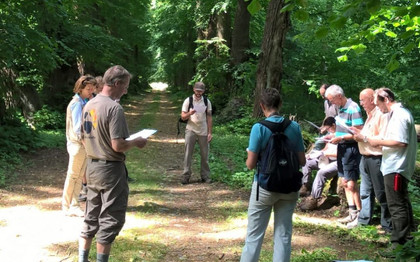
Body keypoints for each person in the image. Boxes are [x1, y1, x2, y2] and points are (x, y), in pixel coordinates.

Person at [79, 65, 147, 262]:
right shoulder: (114, 108)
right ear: (117, 84)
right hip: (110, 170)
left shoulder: (89, 104)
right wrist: (137, 141)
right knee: (110, 217)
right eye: (125, 87)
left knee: (90, 215)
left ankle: (82, 259)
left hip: (91, 166)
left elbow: (84, 137)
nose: (125, 91)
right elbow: (117, 145)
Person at [240, 88, 306, 262]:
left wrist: (249, 153)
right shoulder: (294, 127)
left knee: (254, 235)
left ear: (262, 106)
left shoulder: (258, 128)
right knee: (283, 235)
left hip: (264, 187)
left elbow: (250, 164)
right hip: (290, 188)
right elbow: (302, 161)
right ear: (280, 104)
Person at [366, 87, 417, 256]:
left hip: (396, 166)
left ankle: (398, 244)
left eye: (377, 103)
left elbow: (400, 141)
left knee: (396, 205)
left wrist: (377, 142)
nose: (377, 107)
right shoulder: (397, 115)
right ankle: (408, 239)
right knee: (402, 202)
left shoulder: (400, 115)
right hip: (394, 165)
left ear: (386, 99)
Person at [347, 88, 391, 230]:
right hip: (364, 157)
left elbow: (383, 138)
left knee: (381, 192)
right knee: (365, 192)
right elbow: (368, 134)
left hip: (376, 158)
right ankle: (363, 220)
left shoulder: (381, 115)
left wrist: (363, 137)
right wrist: (358, 133)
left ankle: (387, 224)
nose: (361, 103)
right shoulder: (370, 115)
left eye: (362, 100)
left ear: (372, 100)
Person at [326, 85, 363, 225]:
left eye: (332, 100)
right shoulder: (340, 108)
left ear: (339, 96)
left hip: (351, 149)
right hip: (341, 148)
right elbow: (344, 130)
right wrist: (334, 136)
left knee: (351, 183)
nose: (331, 103)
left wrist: (341, 138)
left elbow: (358, 133)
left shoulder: (353, 108)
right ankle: (351, 212)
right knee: (344, 182)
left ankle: (360, 215)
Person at [63, 75, 96, 216]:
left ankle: (74, 205)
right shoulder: (77, 103)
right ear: (80, 88)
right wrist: (87, 145)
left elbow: (92, 122)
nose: (91, 91)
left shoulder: (86, 102)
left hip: (83, 145)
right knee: (73, 175)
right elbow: (78, 129)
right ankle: (67, 205)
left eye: (93, 89)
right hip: (77, 145)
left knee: (79, 174)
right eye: (88, 89)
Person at [300, 117, 339, 210]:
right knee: (307, 162)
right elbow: (325, 148)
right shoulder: (330, 135)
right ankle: (306, 186)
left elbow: (340, 155)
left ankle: (314, 198)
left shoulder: (341, 136)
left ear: (334, 125)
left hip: (335, 161)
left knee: (321, 173)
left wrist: (326, 153)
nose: (328, 131)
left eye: (329, 128)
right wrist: (314, 154)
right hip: (324, 159)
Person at [180, 81, 213, 184]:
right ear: (194, 90)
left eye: (201, 91)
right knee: (188, 153)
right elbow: (183, 116)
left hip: (203, 130)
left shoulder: (207, 101)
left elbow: (209, 117)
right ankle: (186, 176)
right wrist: (190, 113)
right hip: (191, 129)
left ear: (203, 91)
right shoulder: (188, 100)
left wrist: (210, 132)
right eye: (197, 91)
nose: (199, 93)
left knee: (205, 154)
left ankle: (205, 176)